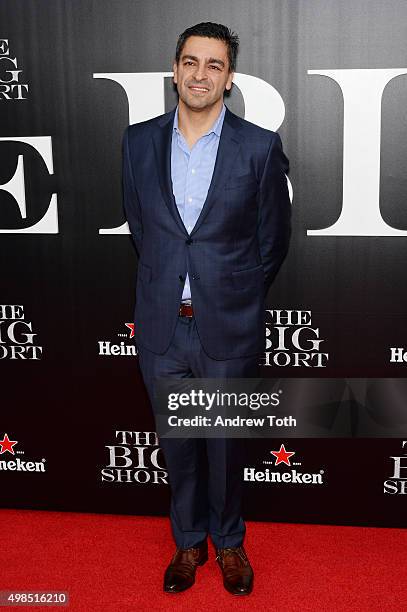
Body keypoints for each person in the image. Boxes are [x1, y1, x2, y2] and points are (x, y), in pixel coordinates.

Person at [122, 21, 291, 595]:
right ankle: (189, 544)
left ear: (229, 78)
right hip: (164, 327)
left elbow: (273, 243)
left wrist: (231, 294)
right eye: (190, 62)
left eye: (214, 65)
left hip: (227, 326)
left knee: (224, 446)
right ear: (175, 69)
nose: (200, 75)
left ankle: (230, 544)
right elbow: (145, 233)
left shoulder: (259, 147)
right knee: (181, 447)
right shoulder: (138, 141)